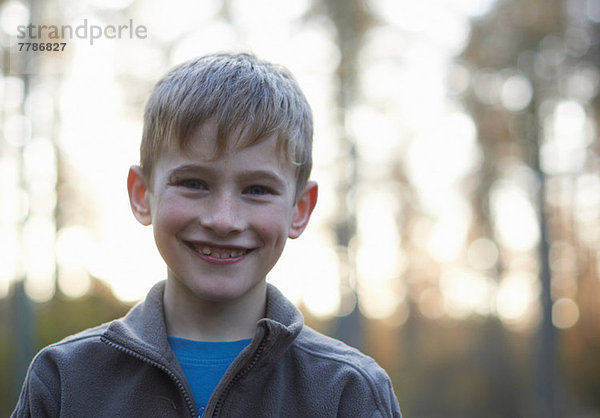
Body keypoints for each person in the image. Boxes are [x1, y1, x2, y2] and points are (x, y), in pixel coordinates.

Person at [12, 52, 402, 417]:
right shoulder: (65, 379)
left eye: (257, 190)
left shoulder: (349, 391)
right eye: (194, 183)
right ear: (141, 194)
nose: (223, 220)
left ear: (299, 210)